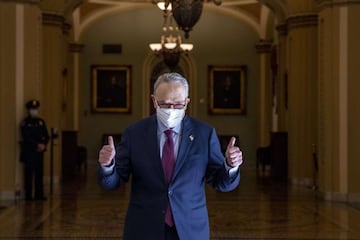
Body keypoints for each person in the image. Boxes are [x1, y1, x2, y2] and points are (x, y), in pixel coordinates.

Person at [98, 72, 243, 240]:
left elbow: (221, 183)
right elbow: (113, 182)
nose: (172, 110)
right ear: (154, 101)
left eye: (178, 105)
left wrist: (230, 166)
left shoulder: (204, 134)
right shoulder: (135, 133)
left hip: (190, 229)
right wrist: (108, 166)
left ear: (187, 103)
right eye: (165, 104)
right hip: (144, 228)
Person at [20, 100, 49, 201]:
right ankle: (28, 195)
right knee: (28, 174)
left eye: (36, 109)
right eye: (32, 109)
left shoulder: (41, 122)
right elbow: (26, 137)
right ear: (29, 110)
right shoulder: (25, 123)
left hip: (39, 153)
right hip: (29, 152)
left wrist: (44, 145)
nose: (34, 111)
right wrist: (37, 144)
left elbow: (46, 135)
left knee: (39, 173)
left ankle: (39, 194)